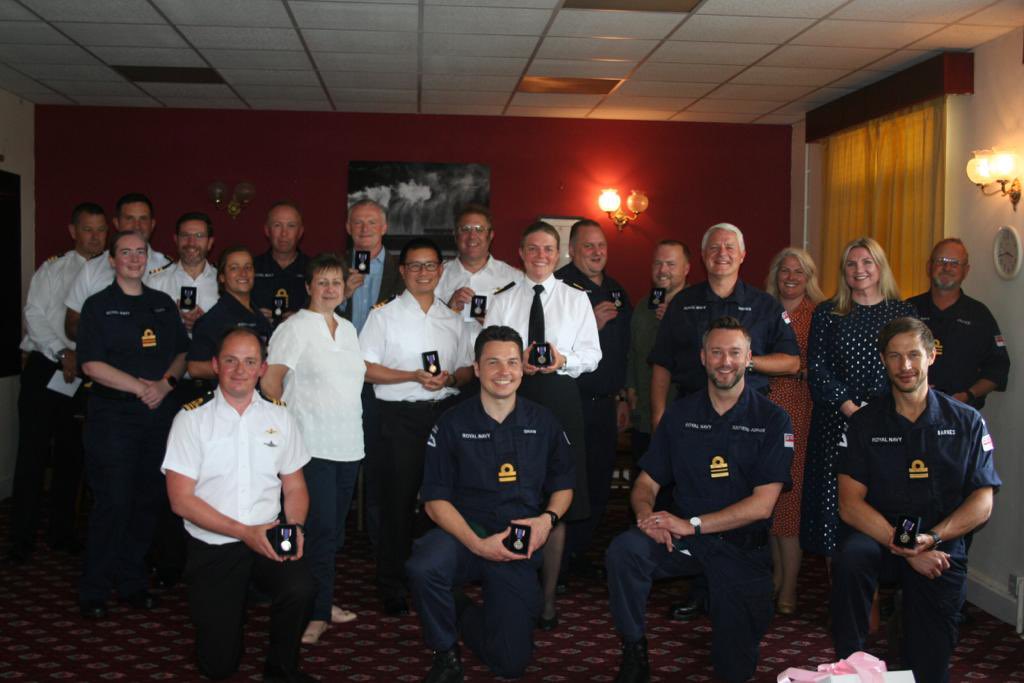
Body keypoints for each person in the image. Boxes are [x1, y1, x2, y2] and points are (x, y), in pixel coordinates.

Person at [605, 316, 793, 683]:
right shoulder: (680, 414)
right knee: (625, 551)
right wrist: (646, 515)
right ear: (703, 357)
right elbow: (646, 483)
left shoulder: (773, 419)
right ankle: (633, 648)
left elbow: (763, 505)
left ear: (749, 357)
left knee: (734, 670)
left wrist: (691, 525)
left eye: (735, 353)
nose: (726, 362)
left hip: (740, 547)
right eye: (717, 352)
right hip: (683, 541)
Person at [831, 317, 1000, 683]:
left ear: (931, 356)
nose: (904, 366)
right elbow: (850, 504)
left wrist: (931, 540)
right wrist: (910, 548)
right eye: (894, 356)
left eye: (913, 355)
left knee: (929, 668)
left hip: (938, 541)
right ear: (882, 360)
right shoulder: (863, 423)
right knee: (850, 558)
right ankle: (849, 665)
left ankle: (913, 642)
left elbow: (982, 501)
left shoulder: (967, 421)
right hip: (879, 536)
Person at [406, 325, 574, 682]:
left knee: (510, 664)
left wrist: (546, 520)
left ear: (523, 368)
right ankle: (445, 653)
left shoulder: (543, 422)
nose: (504, 372)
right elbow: (435, 500)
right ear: (477, 369)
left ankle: (460, 608)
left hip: (517, 540)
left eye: (513, 362)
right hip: (465, 534)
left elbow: (564, 485)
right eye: (493, 362)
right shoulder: (451, 423)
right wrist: (478, 544)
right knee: (424, 566)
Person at [648, 222, 798, 621]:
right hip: (690, 418)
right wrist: (660, 413)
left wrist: (745, 360)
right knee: (693, 496)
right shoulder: (683, 303)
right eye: (714, 247)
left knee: (743, 505)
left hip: (749, 419)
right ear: (703, 256)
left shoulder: (766, 306)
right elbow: (662, 362)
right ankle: (701, 588)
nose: (722, 253)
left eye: (730, 247)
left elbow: (792, 360)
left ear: (743, 255)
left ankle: (738, 587)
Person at [162, 327, 317, 683]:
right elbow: (180, 500)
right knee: (218, 666)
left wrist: (295, 527)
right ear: (216, 365)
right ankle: (226, 626)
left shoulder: (280, 417)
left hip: (267, 534)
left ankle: (281, 667)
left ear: (262, 369)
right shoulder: (191, 419)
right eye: (230, 361)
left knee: (302, 586)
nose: (239, 370)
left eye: (250, 362)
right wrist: (242, 532)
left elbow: (295, 486)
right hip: (214, 543)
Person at [483, 221, 601, 629]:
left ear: (559, 254)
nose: (540, 256)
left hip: (559, 400)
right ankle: (510, 589)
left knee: (556, 495)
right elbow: (486, 349)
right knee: (509, 490)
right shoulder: (501, 300)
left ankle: (548, 598)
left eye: (548, 250)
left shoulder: (575, 299)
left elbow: (593, 355)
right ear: (520, 252)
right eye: (532, 249)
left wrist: (561, 360)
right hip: (511, 399)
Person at [75, 230, 189, 619]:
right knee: (113, 503)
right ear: (112, 259)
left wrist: (165, 384)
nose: (134, 259)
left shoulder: (161, 304)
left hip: (158, 417)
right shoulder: (97, 306)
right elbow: (90, 364)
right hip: (113, 417)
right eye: (125, 252)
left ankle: (131, 582)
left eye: (140, 252)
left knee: (147, 501)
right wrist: (141, 388)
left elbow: (181, 355)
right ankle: (94, 588)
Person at [359, 237, 473, 616]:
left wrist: (451, 381)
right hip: (399, 419)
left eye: (430, 266)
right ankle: (391, 584)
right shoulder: (383, 315)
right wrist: (412, 375)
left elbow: (467, 368)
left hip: (443, 417)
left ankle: (432, 576)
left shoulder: (452, 318)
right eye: (415, 266)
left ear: (441, 271)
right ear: (403, 271)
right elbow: (364, 368)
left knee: (441, 502)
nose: (423, 273)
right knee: (397, 503)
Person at [262, 253, 365, 644]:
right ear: (308, 287)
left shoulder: (349, 328)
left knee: (333, 535)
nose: (329, 289)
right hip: (311, 447)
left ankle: (321, 599)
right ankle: (314, 613)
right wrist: (285, 431)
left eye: (336, 282)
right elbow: (271, 384)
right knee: (316, 532)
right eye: (321, 282)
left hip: (348, 446)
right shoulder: (294, 328)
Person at [802, 237, 916, 558]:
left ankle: (888, 586)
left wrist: (874, 414)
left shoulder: (903, 312)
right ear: (843, 271)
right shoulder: (827, 313)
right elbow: (817, 367)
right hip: (835, 423)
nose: (859, 270)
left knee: (886, 503)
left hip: (887, 425)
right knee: (832, 514)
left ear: (880, 268)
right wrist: (850, 409)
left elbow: (909, 366)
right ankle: (843, 602)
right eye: (851, 264)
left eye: (867, 262)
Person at [7, 202, 107, 564]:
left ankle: (61, 533)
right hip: (46, 367)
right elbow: (34, 314)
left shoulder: (113, 271)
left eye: (100, 230)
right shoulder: (53, 269)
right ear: (73, 231)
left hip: (86, 376)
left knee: (72, 456)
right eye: (88, 229)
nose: (95, 237)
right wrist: (61, 352)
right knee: (32, 454)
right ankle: (21, 537)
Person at [555, 219, 631, 579]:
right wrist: (591, 325)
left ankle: (580, 552)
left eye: (601, 246)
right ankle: (559, 557)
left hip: (606, 403)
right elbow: (547, 347)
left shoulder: (617, 290)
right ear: (572, 250)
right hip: (570, 402)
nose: (597, 252)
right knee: (570, 480)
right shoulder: (559, 287)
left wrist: (622, 397)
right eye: (588, 246)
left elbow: (625, 351)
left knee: (599, 480)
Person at [339, 198, 404, 549]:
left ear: (384, 228)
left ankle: (381, 544)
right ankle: (338, 536)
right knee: (339, 457)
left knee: (380, 464)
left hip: (381, 383)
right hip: (339, 382)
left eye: (371, 223)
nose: (364, 230)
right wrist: (342, 295)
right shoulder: (332, 267)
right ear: (348, 229)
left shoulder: (401, 269)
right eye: (357, 223)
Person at [763, 247, 825, 615]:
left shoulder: (818, 314)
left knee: (790, 504)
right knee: (768, 497)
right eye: (784, 270)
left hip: (800, 414)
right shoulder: (765, 308)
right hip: (764, 413)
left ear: (809, 277)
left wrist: (790, 368)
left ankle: (789, 588)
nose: (791, 276)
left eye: (799, 271)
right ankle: (775, 578)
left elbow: (817, 367)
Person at [906, 238, 1010, 410]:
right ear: (929, 267)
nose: (947, 268)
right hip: (911, 412)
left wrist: (968, 395)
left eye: (955, 263)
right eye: (941, 261)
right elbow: (888, 358)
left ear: (965, 271)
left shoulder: (980, 315)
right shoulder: (908, 310)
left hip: (961, 415)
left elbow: (998, 368)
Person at [64, 192, 170, 340]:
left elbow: (175, 327)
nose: (137, 226)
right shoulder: (92, 268)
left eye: (143, 219)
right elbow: (71, 326)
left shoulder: (169, 268)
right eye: (129, 219)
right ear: (116, 223)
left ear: (152, 224)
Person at [625, 240, 689, 473]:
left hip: (682, 416)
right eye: (658, 263)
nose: (663, 270)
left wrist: (676, 323)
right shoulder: (644, 306)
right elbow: (633, 351)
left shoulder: (695, 306)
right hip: (644, 417)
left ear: (686, 269)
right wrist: (629, 390)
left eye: (671, 264)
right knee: (643, 483)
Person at [188, 246, 273, 382]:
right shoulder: (213, 319)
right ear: (222, 277)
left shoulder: (260, 316)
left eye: (248, 267)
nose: (243, 273)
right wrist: (239, 369)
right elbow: (195, 367)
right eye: (234, 268)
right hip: (230, 397)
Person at [435, 204, 521, 327]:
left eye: (479, 229)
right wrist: (449, 310)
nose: (472, 236)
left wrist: (491, 321)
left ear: (491, 235)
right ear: (455, 235)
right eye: (465, 229)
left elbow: (522, 326)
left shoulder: (514, 279)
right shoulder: (436, 276)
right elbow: (423, 326)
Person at [146, 211, 219, 337]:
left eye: (199, 235)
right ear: (176, 239)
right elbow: (144, 326)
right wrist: (170, 319)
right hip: (169, 355)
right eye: (185, 235)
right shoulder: (156, 282)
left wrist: (207, 323)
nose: (191, 242)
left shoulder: (223, 282)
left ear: (210, 242)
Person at [253, 201, 310, 325]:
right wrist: (253, 316)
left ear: (300, 232)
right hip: (258, 340)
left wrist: (302, 318)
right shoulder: (251, 268)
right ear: (267, 230)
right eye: (277, 225)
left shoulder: (314, 269)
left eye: (291, 225)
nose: (284, 233)